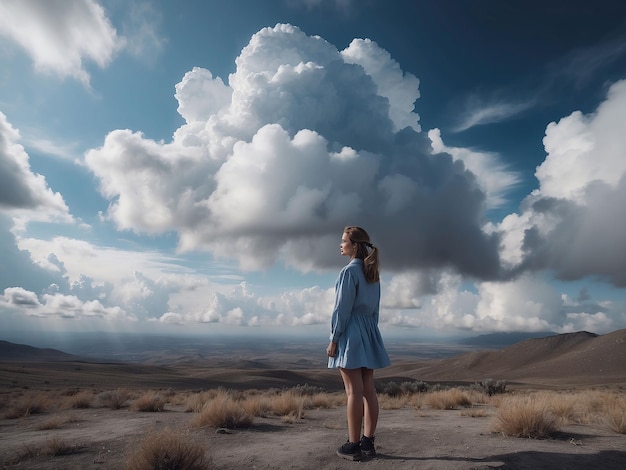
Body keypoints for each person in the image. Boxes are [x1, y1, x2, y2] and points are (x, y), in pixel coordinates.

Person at [326, 226, 391, 461]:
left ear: (355, 245)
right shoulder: (373, 274)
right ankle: (368, 443)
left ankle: (353, 445)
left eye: (343, 241)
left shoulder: (349, 272)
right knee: (368, 391)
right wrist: (371, 335)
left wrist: (334, 339)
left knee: (353, 392)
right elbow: (375, 312)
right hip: (369, 332)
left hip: (351, 333)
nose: (340, 245)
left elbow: (342, 310)